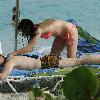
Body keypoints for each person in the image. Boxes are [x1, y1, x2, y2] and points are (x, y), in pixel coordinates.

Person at [9, 18, 78, 58]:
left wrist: (13, 53)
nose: (23, 34)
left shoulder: (39, 30)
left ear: (27, 29)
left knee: (71, 59)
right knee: (53, 58)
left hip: (71, 30)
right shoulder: (36, 26)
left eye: (23, 32)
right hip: (60, 35)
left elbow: (29, 49)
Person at [0, 54, 100, 80]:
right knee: (78, 61)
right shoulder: (11, 59)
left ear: (2, 57)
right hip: (45, 61)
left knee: (79, 61)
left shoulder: (10, 61)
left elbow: (3, 76)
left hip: (46, 63)